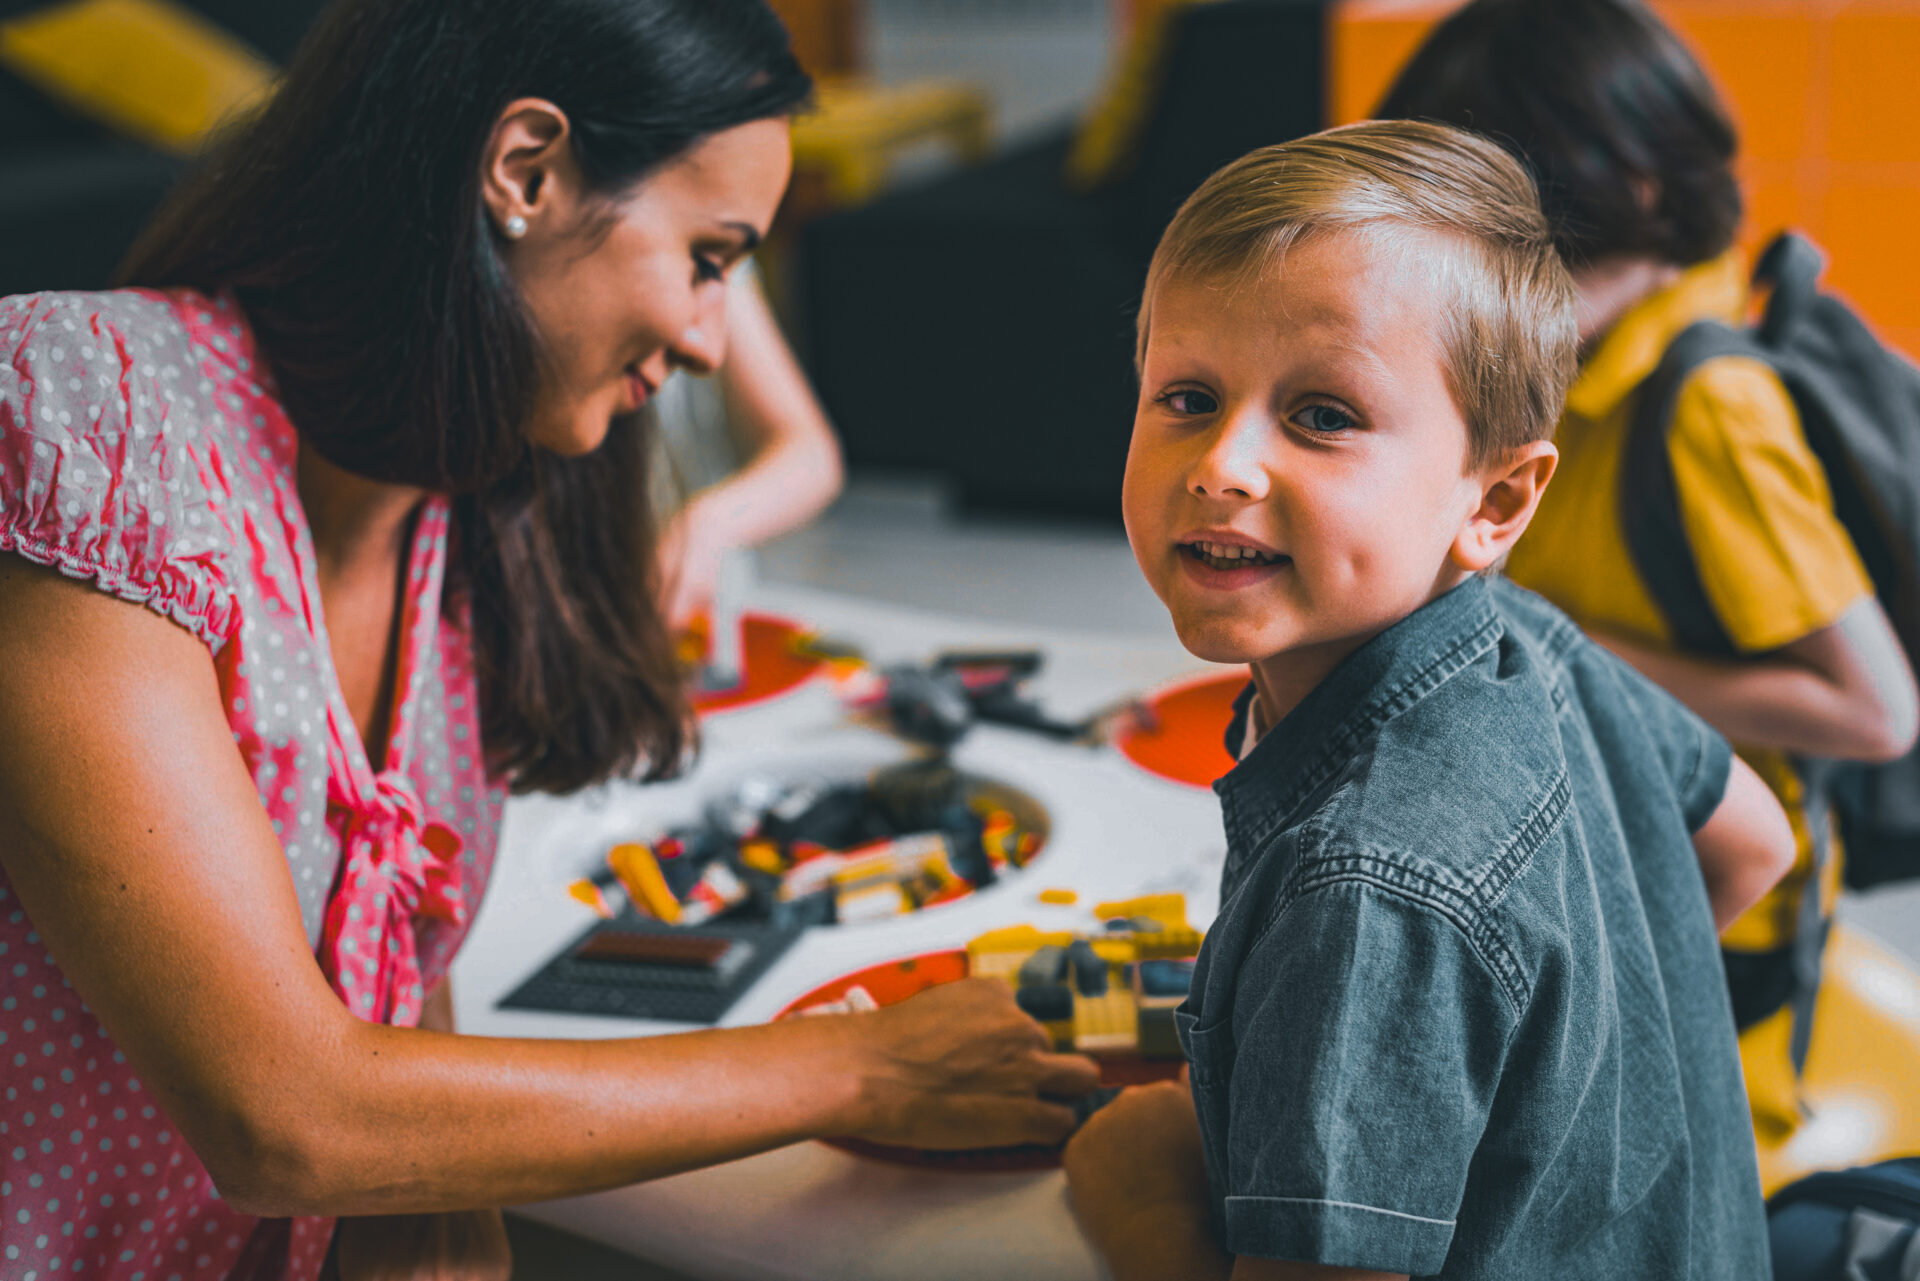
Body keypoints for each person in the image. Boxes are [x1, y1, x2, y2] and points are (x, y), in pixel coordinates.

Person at [0, 2, 1099, 1278]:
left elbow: (388, 977)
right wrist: (859, 1065)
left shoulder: (468, 525)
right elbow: (283, 1113)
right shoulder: (88, 409)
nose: (704, 339)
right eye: (706, 255)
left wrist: (429, 1190)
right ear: (525, 170)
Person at [1060, 121, 1793, 1279]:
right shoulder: (1532, 636)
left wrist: (1137, 1200)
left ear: (1495, 502)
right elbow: (1755, 837)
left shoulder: (1363, 890)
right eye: (1188, 397)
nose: (1222, 464)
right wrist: (1556, 1066)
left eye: (1323, 416)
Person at [1376, 0, 1920, 1147]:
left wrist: (1568, 649)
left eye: (1513, 251)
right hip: (1591, 844)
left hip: (1716, 914)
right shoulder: (1576, 360)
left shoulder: (1706, 410)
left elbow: (1874, 711)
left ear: (1640, 203)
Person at [651, 262, 844, 631]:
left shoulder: (719, 260)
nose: (705, 349)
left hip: (691, 620)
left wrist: (705, 527)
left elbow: (813, 453)